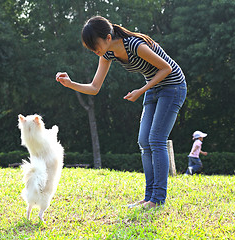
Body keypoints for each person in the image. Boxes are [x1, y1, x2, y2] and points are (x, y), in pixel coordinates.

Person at [56, 16, 187, 208]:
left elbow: (166, 69)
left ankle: (157, 199)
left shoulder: (134, 45)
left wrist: (140, 91)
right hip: (153, 87)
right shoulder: (108, 54)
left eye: (95, 45)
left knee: (156, 139)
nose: (95, 51)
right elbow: (94, 87)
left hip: (173, 86)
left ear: (108, 38)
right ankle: (149, 197)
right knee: (144, 141)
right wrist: (70, 84)